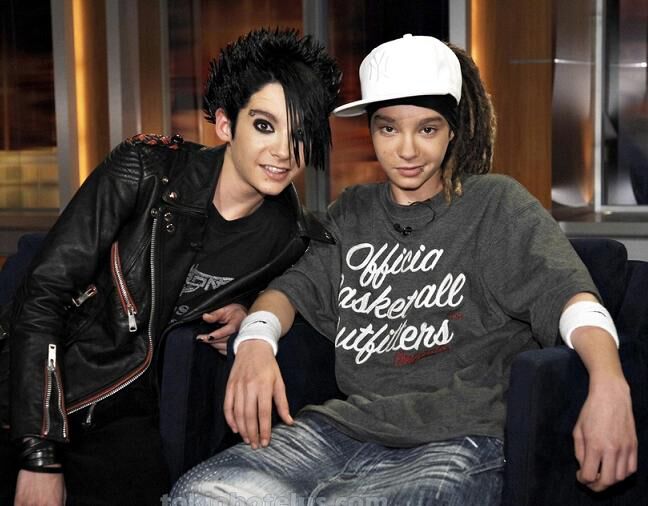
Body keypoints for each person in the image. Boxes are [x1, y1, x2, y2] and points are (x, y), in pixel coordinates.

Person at [170, 35, 638, 505]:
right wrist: (255, 341)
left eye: (428, 129)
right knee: (200, 494)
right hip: (338, 431)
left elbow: (570, 299)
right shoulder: (352, 211)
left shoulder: (495, 204)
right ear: (371, 131)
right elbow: (291, 290)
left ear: (452, 130)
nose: (407, 150)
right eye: (389, 129)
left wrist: (610, 384)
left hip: (457, 437)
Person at [2, 28, 341, 505]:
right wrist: (40, 455)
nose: (285, 151)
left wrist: (249, 313)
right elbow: (43, 295)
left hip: (133, 419)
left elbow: (292, 301)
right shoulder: (145, 170)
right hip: (46, 394)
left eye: (301, 133)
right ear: (225, 124)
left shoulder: (291, 238)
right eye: (265, 126)